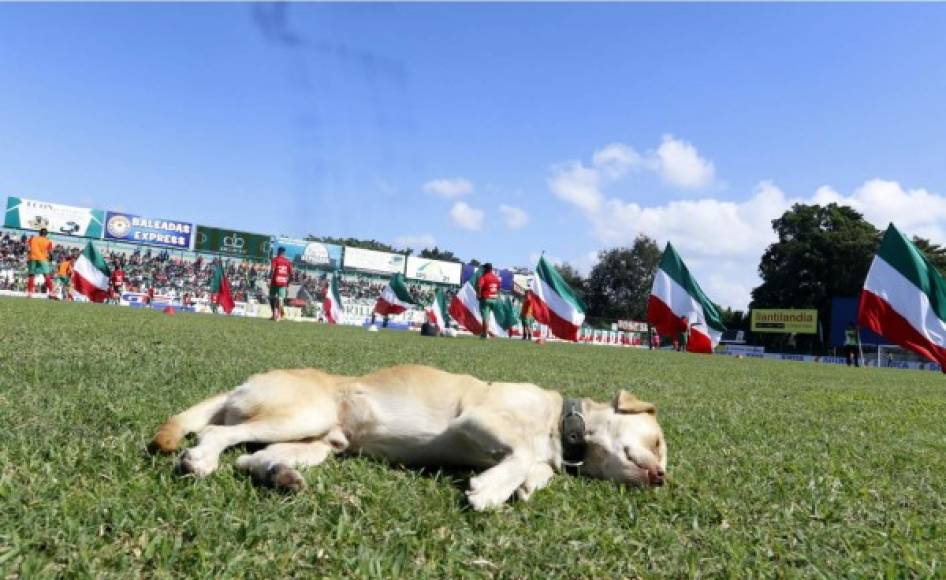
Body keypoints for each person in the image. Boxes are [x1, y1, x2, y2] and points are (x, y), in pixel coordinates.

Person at [26, 228, 55, 297]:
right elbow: (50, 252)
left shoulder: (32, 238)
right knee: (47, 276)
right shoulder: (48, 241)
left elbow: (28, 247)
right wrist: (50, 259)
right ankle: (51, 292)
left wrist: (28, 256)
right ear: (46, 234)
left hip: (33, 258)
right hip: (43, 259)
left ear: (39, 233)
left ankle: (30, 293)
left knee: (31, 276)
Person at [477, 263, 501, 339]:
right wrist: (497, 296)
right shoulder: (495, 277)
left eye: (484, 268)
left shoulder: (484, 277)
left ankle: (485, 334)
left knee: (485, 317)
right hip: (494, 299)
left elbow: (479, 285)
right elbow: (499, 288)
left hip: (486, 298)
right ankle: (487, 333)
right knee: (489, 317)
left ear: (486, 269)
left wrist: (479, 294)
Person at [269, 247, 292, 321]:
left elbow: (272, 270)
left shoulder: (275, 259)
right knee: (280, 299)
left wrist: (269, 279)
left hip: (274, 281)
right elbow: (291, 274)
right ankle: (279, 316)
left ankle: (274, 314)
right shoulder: (288, 261)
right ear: (284, 253)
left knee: (272, 297)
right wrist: (287, 284)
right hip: (283, 282)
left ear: (278, 252)